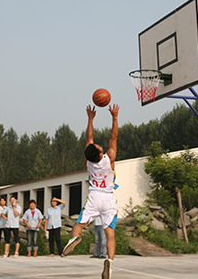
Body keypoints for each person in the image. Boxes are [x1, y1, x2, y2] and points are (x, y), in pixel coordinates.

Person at [62, 104, 120, 279]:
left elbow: (89, 138)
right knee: (110, 232)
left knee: (78, 225)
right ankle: (109, 261)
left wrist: (90, 119)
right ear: (100, 152)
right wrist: (115, 117)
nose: (98, 144)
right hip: (109, 199)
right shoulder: (109, 158)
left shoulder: (89, 161)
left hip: (94, 197)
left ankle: (74, 239)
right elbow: (114, 136)